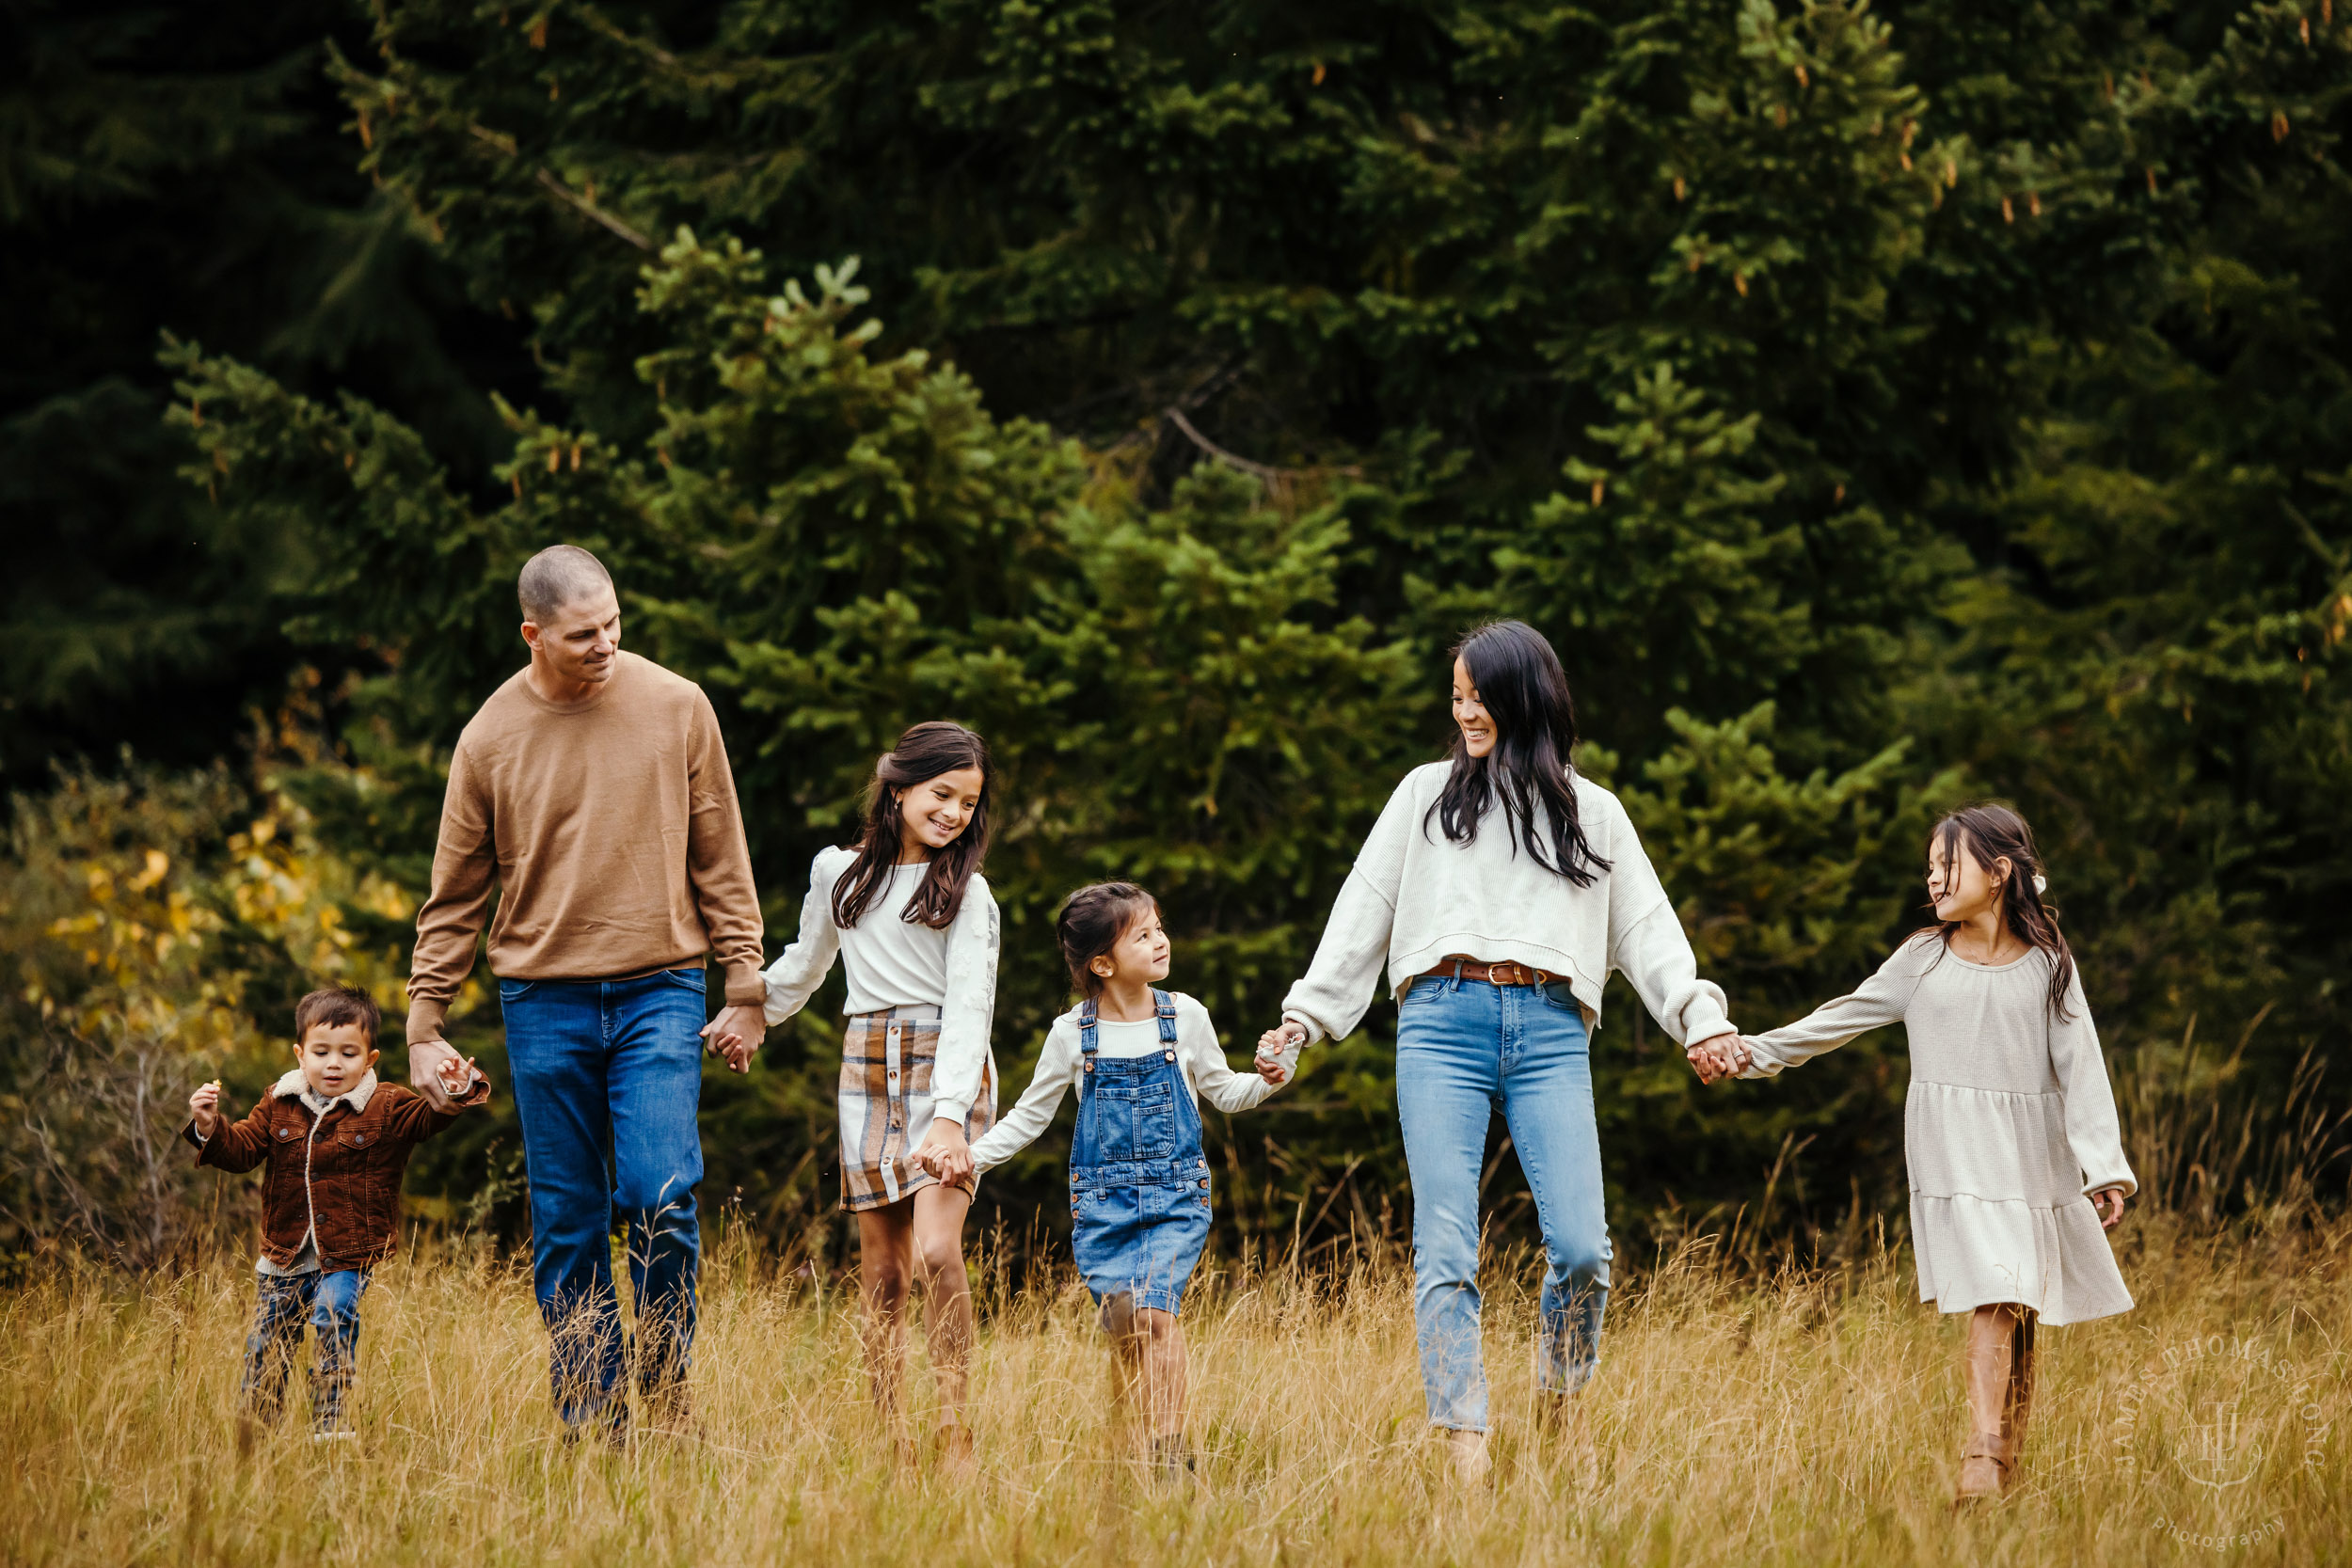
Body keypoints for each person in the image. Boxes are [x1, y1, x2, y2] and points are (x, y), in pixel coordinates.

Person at [1257, 619, 1740, 1481]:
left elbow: (1648, 933)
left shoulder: (1594, 813)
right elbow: (1360, 914)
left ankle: (1561, 1407)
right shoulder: (1423, 798)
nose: (1464, 711)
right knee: (1446, 1245)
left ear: (1524, 698)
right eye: (1456, 696)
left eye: (1478, 696)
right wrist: (1304, 1019)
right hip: (1440, 1021)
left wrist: (1700, 1020)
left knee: (1585, 1248)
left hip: (1552, 1029)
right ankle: (1464, 1441)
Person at [405, 544, 768, 1445]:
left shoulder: (678, 705)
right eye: (582, 634)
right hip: (542, 998)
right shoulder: (489, 737)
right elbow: (455, 894)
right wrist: (424, 1023)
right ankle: (592, 1418)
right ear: (533, 634)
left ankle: (666, 1382)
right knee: (567, 1218)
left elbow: (721, 851)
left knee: (659, 1191)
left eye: (613, 624)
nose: (605, 643)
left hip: (663, 987)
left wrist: (746, 979)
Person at [1694, 803, 2134, 1503]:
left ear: (1998, 873)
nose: (1932, 878)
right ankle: (1983, 1454)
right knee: (1996, 1289)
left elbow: (2082, 1065)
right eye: (1929, 867)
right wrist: (1749, 1052)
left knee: (2018, 1306)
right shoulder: (1922, 959)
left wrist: (2104, 1165)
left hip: (2030, 1157)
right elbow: (1838, 1017)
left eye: (1947, 864)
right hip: (1957, 1155)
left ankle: (2004, 1458)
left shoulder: (2050, 965)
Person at [929, 882, 1291, 1482]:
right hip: (1104, 1204)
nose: (1160, 940)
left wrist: (1269, 1079)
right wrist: (972, 1156)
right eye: (1142, 934)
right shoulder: (1073, 1034)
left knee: (1155, 1314)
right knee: (1125, 1324)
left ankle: (1175, 1462)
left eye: (1159, 928)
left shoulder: (1185, 1017)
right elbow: (1029, 1116)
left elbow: (1226, 1092)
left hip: (1176, 1197)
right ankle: (1126, 1443)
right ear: (1102, 963)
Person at [759, 721, 1001, 1471]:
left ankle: (955, 1428)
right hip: (865, 1068)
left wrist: (953, 1116)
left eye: (968, 801)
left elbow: (971, 1006)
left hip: (944, 1073)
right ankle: (888, 1435)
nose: (955, 812)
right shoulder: (840, 870)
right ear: (897, 786)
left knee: (935, 1250)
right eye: (942, 793)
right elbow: (804, 964)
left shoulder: (967, 890)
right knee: (884, 1272)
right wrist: (746, 1011)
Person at [183, 985, 491, 1439]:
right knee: (268, 1345)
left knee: (333, 1312)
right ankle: (256, 1433)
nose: (333, 1063)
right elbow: (243, 1150)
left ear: (370, 1059)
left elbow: (428, 1119)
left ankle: (330, 1422)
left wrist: (456, 1089)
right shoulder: (278, 1101)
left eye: (348, 1053)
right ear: (300, 1053)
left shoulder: (386, 1105)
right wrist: (209, 1127)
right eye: (321, 1052)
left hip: (347, 1252)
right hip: (285, 1253)